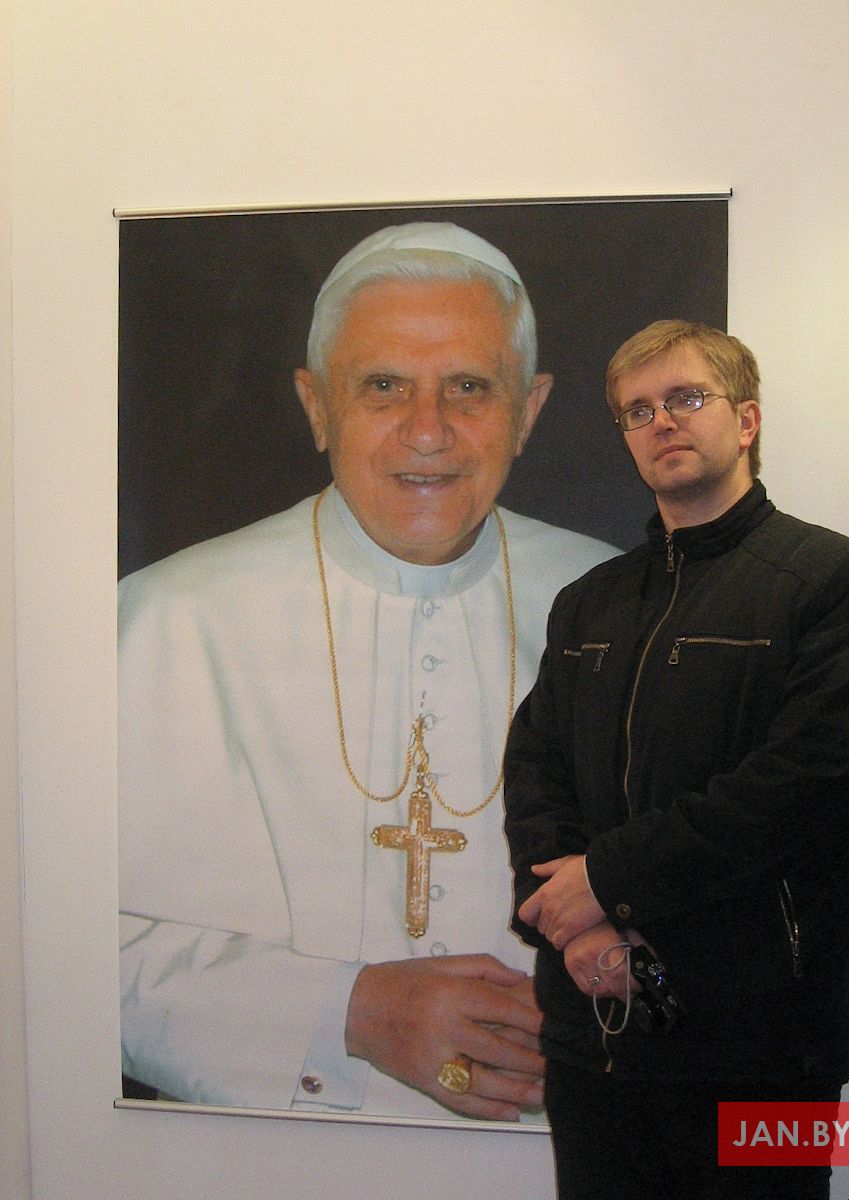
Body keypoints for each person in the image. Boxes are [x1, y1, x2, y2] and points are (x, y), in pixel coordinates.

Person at [118, 221, 619, 1122]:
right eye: (383, 386)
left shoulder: (628, 612)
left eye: (469, 386)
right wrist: (348, 1014)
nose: (428, 432)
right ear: (317, 406)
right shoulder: (171, 616)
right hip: (262, 1165)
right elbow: (65, 950)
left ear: (529, 411)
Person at [503, 319, 849, 1197]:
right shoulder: (588, 601)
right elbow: (534, 771)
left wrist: (607, 880)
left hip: (774, 1046)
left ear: (747, 419)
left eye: (686, 397)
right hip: (597, 1032)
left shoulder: (840, 582)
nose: (663, 422)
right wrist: (582, 925)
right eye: (638, 410)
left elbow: (802, 787)